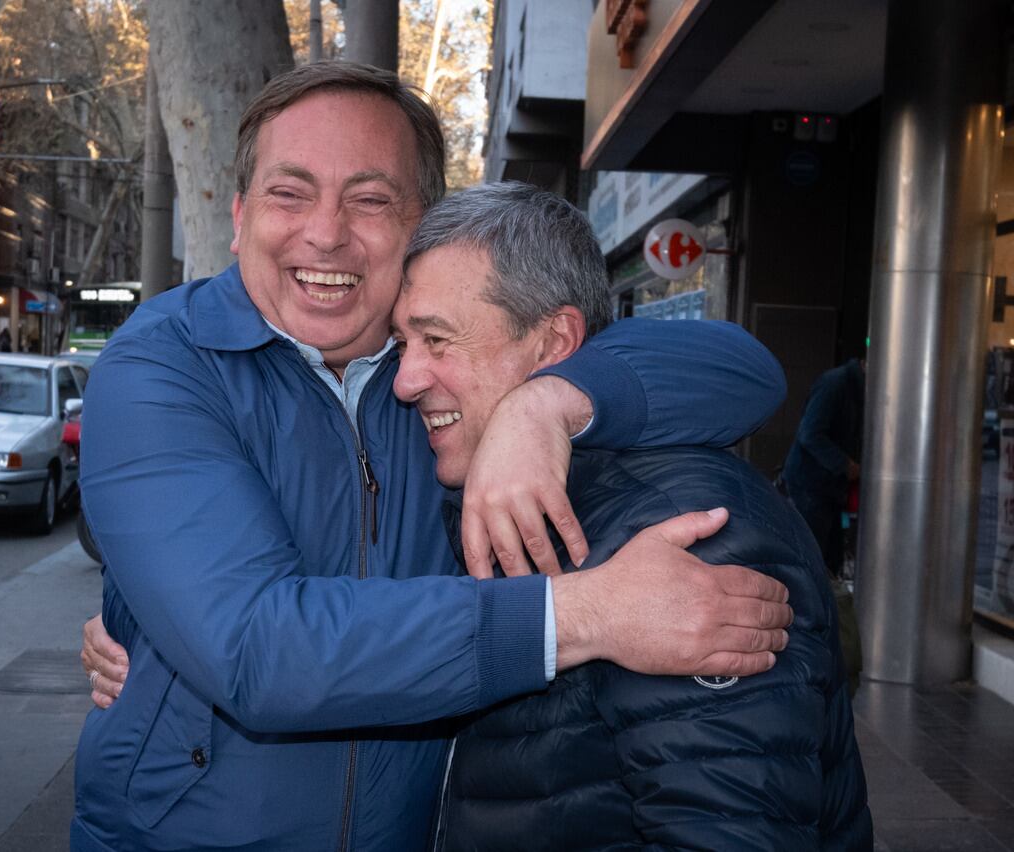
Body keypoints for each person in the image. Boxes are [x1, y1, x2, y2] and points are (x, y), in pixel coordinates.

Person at [73, 62, 791, 851]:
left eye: (371, 199)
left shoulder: (440, 369)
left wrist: (546, 405)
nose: (326, 231)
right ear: (240, 216)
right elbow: (254, 648)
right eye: (290, 193)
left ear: (422, 225)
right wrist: (589, 614)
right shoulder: (161, 366)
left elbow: (744, 370)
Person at [386, 182, 871, 850]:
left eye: (437, 340)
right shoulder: (487, 478)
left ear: (555, 341)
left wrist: (542, 406)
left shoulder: (684, 539)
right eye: (402, 342)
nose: (404, 380)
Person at [782, 355, 866, 577]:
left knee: (829, 557)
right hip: (812, 484)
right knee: (813, 556)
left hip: (830, 487)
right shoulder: (836, 384)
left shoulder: (854, 387)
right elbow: (809, 434)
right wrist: (845, 465)